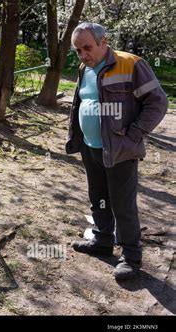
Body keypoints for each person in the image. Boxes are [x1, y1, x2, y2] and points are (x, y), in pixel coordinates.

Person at [66, 22, 168, 280]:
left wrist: (134, 135)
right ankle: (102, 241)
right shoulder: (84, 69)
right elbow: (84, 101)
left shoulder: (130, 64)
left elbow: (158, 102)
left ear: (103, 42)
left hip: (120, 151)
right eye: (77, 50)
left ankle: (131, 258)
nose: (82, 55)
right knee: (98, 198)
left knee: (123, 205)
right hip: (91, 148)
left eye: (86, 48)